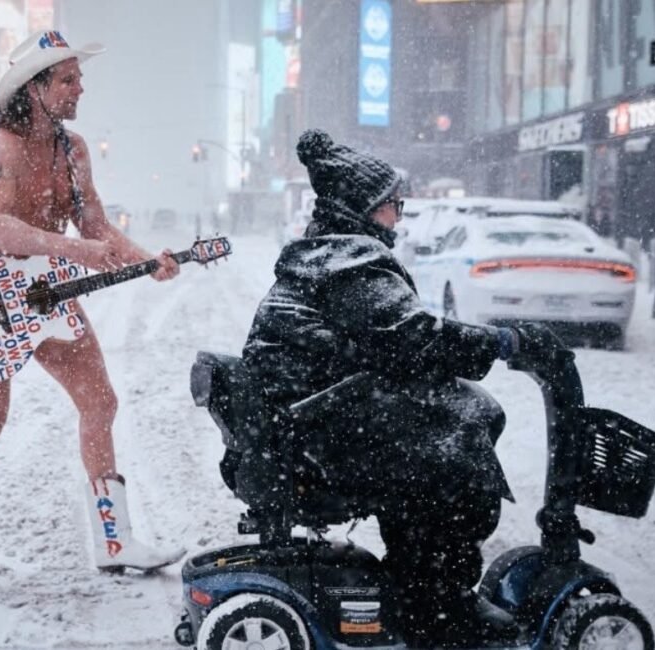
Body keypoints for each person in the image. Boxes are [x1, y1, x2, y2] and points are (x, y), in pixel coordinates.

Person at [241, 130, 563, 648]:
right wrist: (504, 342)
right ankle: (437, 606)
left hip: (304, 421)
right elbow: (415, 339)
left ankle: (424, 589)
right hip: (317, 435)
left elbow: (389, 344)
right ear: (365, 208)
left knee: (462, 424)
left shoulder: (330, 254)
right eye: (394, 204)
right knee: (456, 473)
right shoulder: (349, 264)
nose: (400, 215)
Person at [0, 30, 185, 597]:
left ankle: (114, 542)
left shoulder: (74, 150)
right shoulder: (3, 145)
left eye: (78, 77)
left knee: (101, 402)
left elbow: (94, 225)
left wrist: (148, 260)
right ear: (35, 87)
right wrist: (73, 250)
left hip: (47, 292)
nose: (80, 88)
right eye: (68, 79)